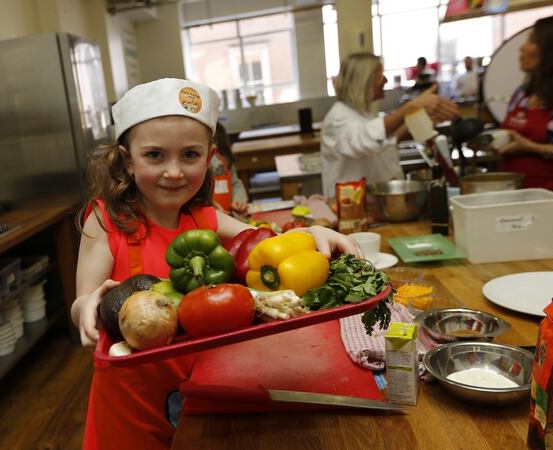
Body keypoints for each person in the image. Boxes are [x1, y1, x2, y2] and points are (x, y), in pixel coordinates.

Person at [71, 78, 362, 450]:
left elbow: (269, 242)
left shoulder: (206, 218)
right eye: (155, 155)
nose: (174, 171)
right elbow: (82, 301)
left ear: (209, 159)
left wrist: (314, 233)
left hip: (199, 391)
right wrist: (86, 308)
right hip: (130, 401)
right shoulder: (105, 220)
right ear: (128, 162)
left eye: (189, 155)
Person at [320, 53, 459, 198]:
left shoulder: (364, 114)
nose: (385, 80)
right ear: (363, 81)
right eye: (380, 76)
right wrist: (411, 106)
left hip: (373, 203)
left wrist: (418, 116)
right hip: (350, 207)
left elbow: (383, 143)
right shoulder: (338, 118)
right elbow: (366, 140)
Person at [497, 13, 553, 240]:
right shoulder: (522, 95)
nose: (522, 48)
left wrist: (531, 147)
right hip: (516, 200)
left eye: (532, 41)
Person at [210, 121, 249, 215]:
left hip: (228, 216)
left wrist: (239, 199)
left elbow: (235, 183)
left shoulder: (225, 158)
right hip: (209, 218)